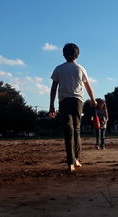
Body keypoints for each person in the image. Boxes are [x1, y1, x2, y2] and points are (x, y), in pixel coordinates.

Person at [49, 43, 97, 172]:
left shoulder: (58, 68)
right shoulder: (81, 68)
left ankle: (70, 162)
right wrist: (93, 99)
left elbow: (54, 88)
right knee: (76, 130)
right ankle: (76, 159)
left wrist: (51, 105)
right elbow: (88, 86)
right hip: (77, 101)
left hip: (64, 102)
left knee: (68, 131)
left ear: (64, 54)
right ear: (77, 55)